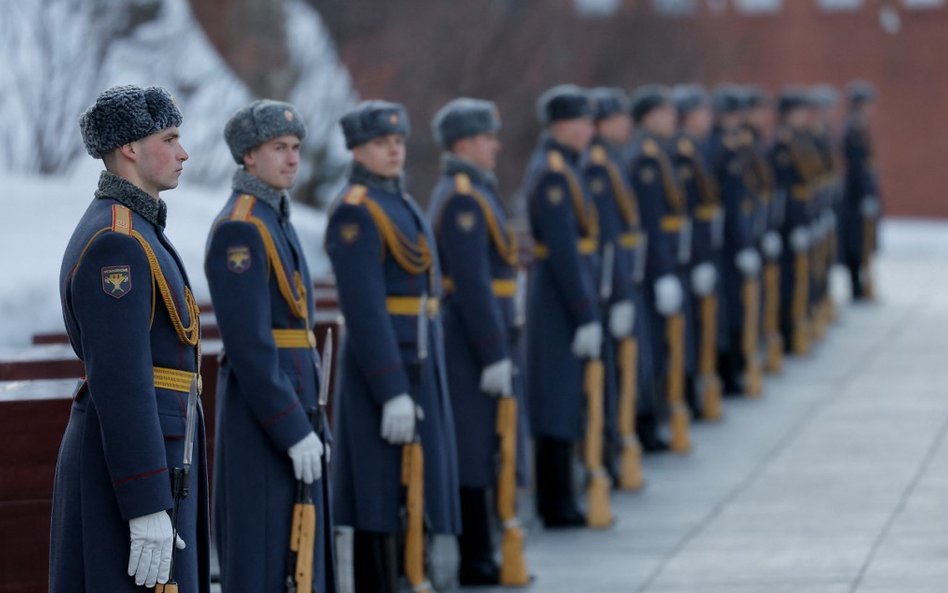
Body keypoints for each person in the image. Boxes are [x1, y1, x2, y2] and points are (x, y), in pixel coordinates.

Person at [51, 85, 210, 592]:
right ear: (130, 149)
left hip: (161, 456)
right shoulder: (116, 240)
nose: (184, 152)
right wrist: (145, 503)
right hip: (136, 470)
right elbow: (120, 381)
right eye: (171, 137)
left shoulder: (138, 227)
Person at [325, 100, 461, 592]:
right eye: (381, 143)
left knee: (414, 480)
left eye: (398, 142)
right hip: (383, 369)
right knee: (378, 489)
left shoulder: (398, 201)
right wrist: (391, 388)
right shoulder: (355, 212)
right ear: (358, 150)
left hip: (419, 359)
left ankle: (412, 574)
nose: (393, 151)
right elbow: (364, 308)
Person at [205, 99, 333, 593]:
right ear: (248, 157)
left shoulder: (275, 216)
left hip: (296, 398)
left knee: (298, 550)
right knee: (266, 552)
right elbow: (250, 345)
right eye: (279, 147)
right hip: (265, 414)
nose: (293, 158)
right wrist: (290, 427)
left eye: (296, 147)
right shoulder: (242, 225)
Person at [426, 97, 529, 586]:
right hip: (469, 340)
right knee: (471, 446)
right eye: (487, 137)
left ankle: (484, 549)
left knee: (488, 442)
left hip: (487, 333)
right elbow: (470, 283)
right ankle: (477, 555)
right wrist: (492, 350)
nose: (495, 145)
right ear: (464, 143)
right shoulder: (463, 196)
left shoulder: (476, 190)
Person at [522, 84, 601, 527]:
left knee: (565, 395)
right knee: (555, 398)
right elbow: (565, 249)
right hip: (556, 299)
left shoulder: (565, 166)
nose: (590, 128)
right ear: (561, 125)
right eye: (583, 121)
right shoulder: (553, 172)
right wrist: (585, 311)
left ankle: (561, 496)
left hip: (562, 295)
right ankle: (555, 501)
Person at [585, 86, 650, 479]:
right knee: (612, 377)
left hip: (623, 275)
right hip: (611, 283)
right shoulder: (597, 165)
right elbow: (607, 235)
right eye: (618, 118)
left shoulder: (612, 160)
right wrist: (618, 291)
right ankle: (608, 455)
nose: (627, 124)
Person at [627, 84, 692, 453]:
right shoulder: (645, 159)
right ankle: (645, 422)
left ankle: (653, 419)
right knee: (648, 348)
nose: (673, 119)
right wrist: (663, 270)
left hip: (664, 262)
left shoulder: (658, 154)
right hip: (652, 268)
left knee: (659, 347)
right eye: (665, 113)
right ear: (648, 118)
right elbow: (651, 222)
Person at [671, 84, 725, 417]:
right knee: (686, 333)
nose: (709, 118)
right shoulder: (680, 153)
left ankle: (695, 394)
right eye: (702, 113)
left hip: (699, 248)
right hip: (686, 253)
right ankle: (687, 398)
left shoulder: (696, 149)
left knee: (698, 328)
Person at [839, 81, 881, 300]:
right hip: (855, 198)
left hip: (863, 195)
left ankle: (862, 285)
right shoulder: (854, 129)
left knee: (864, 242)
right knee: (856, 242)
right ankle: (857, 287)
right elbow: (857, 168)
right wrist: (865, 195)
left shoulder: (861, 127)